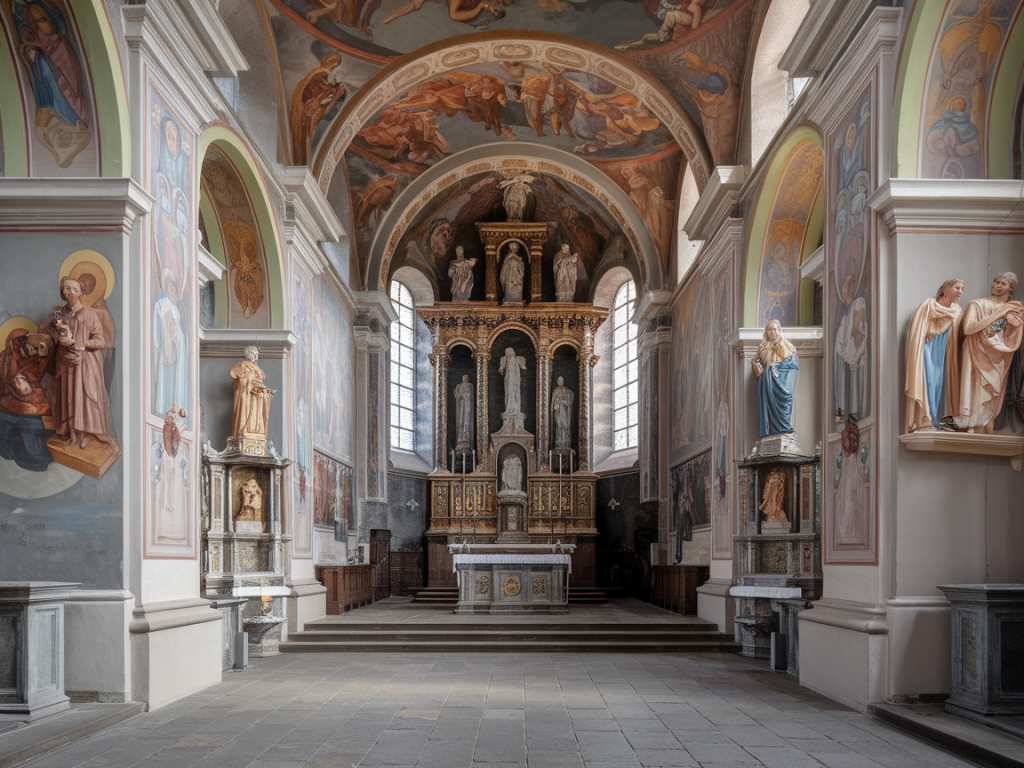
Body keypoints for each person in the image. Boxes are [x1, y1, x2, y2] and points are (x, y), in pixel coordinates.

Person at [40, 276, 115, 449]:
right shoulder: (59, 314)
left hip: (86, 364)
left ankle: (85, 433)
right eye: (67, 288)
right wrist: (59, 338)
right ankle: (72, 433)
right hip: (66, 363)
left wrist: (81, 345)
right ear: (62, 291)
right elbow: (43, 330)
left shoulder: (89, 313)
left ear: (81, 292)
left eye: (74, 289)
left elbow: (100, 340)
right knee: (68, 396)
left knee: (85, 396)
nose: (71, 292)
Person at [956, 273, 1024, 433]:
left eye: (1004, 284)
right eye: (997, 282)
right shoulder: (977, 305)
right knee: (975, 387)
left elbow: (999, 334)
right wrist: (1000, 313)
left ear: (1011, 288)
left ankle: (988, 425)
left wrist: (1013, 327)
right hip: (975, 351)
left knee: (993, 391)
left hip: (998, 354)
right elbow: (968, 329)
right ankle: (971, 426)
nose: (999, 286)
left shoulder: (1014, 309)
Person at [905, 279, 964, 432]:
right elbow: (918, 331)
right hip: (927, 348)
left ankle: (940, 420)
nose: (960, 292)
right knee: (928, 382)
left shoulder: (957, 310)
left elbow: (959, 336)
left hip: (946, 354)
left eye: (962, 289)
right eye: (957, 288)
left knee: (942, 384)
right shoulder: (928, 305)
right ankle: (926, 419)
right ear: (945, 289)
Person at [751, 320, 798, 437]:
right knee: (769, 407)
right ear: (766, 332)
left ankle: (785, 429)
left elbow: (792, 363)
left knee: (785, 406)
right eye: (770, 329)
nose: (773, 332)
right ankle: (771, 431)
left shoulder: (788, 347)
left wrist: (776, 367)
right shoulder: (763, 348)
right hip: (768, 384)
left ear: (779, 331)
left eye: (775, 329)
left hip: (783, 383)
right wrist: (757, 365)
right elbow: (756, 361)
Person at [229, 346, 276, 441]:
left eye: (257, 354)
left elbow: (259, 383)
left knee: (256, 412)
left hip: (256, 397)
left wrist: (265, 392)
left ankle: (256, 431)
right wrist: (249, 380)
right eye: (253, 353)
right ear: (248, 353)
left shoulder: (257, 369)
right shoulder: (242, 365)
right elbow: (237, 379)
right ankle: (243, 431)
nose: (255, 355)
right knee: (246, 411)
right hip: (246, 395)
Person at [550, 376, 574, 450]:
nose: (560, 381)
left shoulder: (567, 391)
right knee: (558, 426)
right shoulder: (556, 390)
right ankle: (558, 442)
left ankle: (565, 443)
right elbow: (553, 403)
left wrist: (561, 401)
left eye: (561, 380)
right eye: (558, 380)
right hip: (558, 413)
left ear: (563, 381)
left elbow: (569, 402)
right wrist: (554, 407)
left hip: (565, 413)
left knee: (565, 426)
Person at [453, 374, 474, 452]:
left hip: (467, 405)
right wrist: (459, 395)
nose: (465, 379)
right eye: (463, 377)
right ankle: (460, 439)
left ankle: (466, 439)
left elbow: (469, 395)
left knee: (466, 421)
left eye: (466, 378)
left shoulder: (469, 385)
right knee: (460, 421)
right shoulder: (459, 386)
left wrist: (463, 395)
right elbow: (456, 395)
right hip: (461, 405)